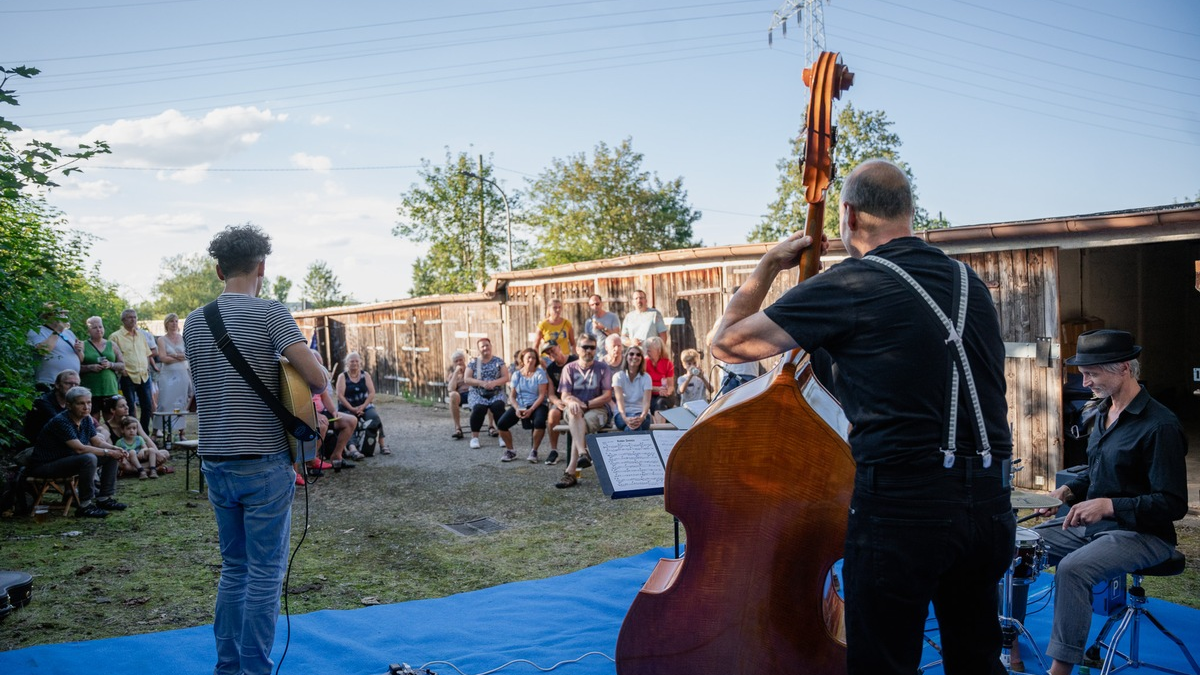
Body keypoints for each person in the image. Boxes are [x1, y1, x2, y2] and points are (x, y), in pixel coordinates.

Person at [710, 159, 1014, 675]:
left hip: (904, 511)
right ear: (910, 213)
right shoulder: (970, 284)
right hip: (989, 505)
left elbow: (727, 344)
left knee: (884, 665)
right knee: (977, 661)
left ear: (847, 215)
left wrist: (766, 266)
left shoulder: (852, 284)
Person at [184, 224, 327, 675]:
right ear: (262, 266)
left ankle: (227, 667)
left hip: (215, 458)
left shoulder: (194, 320)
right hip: (263, 460)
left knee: (234, 569)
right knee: (265, 575)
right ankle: (254, 671)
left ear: (218, 269)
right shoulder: (272, 314)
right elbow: (319, 379)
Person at [1023, 329, 1188, 675]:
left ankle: (1060, 670)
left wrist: (1109, 505)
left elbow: (1173, 503)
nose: (1084, 383)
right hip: (1094, 527)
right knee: (1012, 544)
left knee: (1073, 569)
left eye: (1092, 373)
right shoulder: (1100, 413)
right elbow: (1098, 474)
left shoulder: (1161, 426)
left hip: (1143, 535)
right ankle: (1008, 641)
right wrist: (1066, 493)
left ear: (1124, 368)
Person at [28, 386, 128, 518]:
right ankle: (85, 505)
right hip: (45, 465)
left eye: (89, 402)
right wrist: (108, 452)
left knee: (110, 456)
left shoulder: (86, 419)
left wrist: (114, 449)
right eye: (81, 403)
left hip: (67, 460)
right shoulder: (61, 421)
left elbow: (96, 442)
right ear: (69, 405)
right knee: (88, 458)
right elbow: (79, 448)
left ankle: (105, 498)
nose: (86, 407)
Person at [554, 334, 612, 489]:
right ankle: (582, 453)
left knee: (581, 425)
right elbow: (564, 396)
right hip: (574, 410)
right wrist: (572, 402)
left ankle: (571, 471)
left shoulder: (602, 368)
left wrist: (586, 404)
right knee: (575, 413)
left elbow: (607, 395)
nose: (589, 351)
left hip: (597, 409)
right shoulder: (569, 368)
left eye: (592, 347)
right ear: (577, 349)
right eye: (585, 347)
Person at [497, 347, 550, 463]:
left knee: (539, 422)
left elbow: (542, 395)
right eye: (528, 358)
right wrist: (516, 408)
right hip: (520, 405)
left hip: (537, 404)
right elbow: (512, 396)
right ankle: (510, 450)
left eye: (534, 358)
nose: (531, 360)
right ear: (522, 359)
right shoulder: (517, 374)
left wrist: (531, 409)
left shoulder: (540, 374)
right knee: (501, 424)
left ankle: (534, 450)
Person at [110, 308, 155, 434]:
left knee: (147, 406)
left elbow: (147, 353)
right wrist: (122, 371)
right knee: (129, 407)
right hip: (128, 375)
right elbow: (113, 357)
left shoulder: (141, 335)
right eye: (130, 317)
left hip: (143, 376)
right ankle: (130, 433)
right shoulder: (115, 337)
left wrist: (147, 367)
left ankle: (144, 433)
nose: (133, 319)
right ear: (123, 320)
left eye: (135, 317)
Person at [336, 351, 391, 455]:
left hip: (364, 406)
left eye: (357, 361)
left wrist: (362, 407)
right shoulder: (342, 377)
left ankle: (382, 444)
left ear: (360, 362)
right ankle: (352, 449)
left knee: (375, 417)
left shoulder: (365, 375)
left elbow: (371, 393)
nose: (354, 363)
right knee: (350, 422)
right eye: (352, 361)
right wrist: (352, 409)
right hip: (347, 407)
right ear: (347, 363)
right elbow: (340, 396)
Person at [463, 337, 511, 451]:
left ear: (491, 346)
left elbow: (506, 377)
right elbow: (466, 379)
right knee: (479, 408)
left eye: (487, 345)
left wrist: (494, 382)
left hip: (496, 392)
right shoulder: (474, 363)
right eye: (482, 346)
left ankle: (502, 435)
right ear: (479, 349)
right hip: (478, 392)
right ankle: (474, 437)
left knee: (498, 406)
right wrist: (481, 383)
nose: (485, 348)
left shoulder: (498, 361)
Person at [27, 302, 84, 392]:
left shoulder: (69, 333)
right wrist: (57, 330)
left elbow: (81, 359)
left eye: (64, 314)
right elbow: (43, 351)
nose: (63, 316)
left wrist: (79, 350)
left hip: (72, 384)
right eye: (60, 314)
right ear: (49, 316)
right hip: (49, 383)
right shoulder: (37, 330)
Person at [155, 313, 192, 440]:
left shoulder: (183, 338)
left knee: (181, 403)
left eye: (176, 321)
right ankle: (158, 430)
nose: (174, 324)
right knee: (164, 402)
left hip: (182, 373)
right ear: (167, 323)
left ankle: (181, 432)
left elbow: (187, 355)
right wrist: (179, 356)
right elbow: (163, 358)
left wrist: (175, 356)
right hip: (168, 374)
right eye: (171, 321)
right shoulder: (161, 339)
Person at [540, 341, 577, 466]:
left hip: (577, 399)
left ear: (559, 347)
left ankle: (583, 450)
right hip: (561, 401)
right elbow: (550, 393)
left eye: (552, 349)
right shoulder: (550, 369)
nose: (551, 353)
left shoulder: (574, 360)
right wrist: (557, 401)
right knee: (552, 414)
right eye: (548, 352)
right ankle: (554, 450)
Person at [22, 369, 80, 446]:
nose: (73, 388)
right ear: (57, 385)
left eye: (76, 385)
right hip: (38, 448)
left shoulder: (70, 402)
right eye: (68, 383)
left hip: (59, 442)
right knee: (89, 455)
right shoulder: (43, 401)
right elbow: (62, 425)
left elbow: (89, 422)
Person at [79, 316, 124, 398]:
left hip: (110, 388)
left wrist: (110, 364)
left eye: (100, 327)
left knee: (110, 410)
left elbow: (122, 365)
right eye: (94, 328)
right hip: (90, 390)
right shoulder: (83, 345)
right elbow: (76, 367)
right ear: (88, 331)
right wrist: (90, 367)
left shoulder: (112, 345)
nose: (98, 330)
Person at [612, 345, 652, 431]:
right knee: (633, 428)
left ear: (641, 358)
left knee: (631, 428)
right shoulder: (618, 376)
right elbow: (620, 401)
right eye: (631, 354)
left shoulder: (646, 377)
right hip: (622, 414)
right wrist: (625, 418)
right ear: (626, 357)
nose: (635, 356)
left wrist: (642, 417)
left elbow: (646, 403)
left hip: (642, 414)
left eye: (638, 355)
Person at [642, 336, 675, 418]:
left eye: (649, 350)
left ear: (658, 351)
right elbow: (642, 385)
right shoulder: (644, 363)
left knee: (661, 402)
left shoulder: (667, 363)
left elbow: (671, 385)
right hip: (649, 394)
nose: (646, 352)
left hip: (664, 395)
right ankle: (660, 428)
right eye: (646, 350)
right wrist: (657, 389)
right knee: (654, 403)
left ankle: (660, 429)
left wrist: (667, 392)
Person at [113, 415, 154, 479]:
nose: (131, 430)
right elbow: (118, 453)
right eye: (128, 428)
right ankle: (141, 471)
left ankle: (153, 470)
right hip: (129, 461)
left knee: (151, 450)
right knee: (132, 452)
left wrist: (142, 450)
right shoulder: (120, 442)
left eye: (134, 428)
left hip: (141, 458)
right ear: (122, 430)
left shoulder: (139, 438)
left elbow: (145, 448)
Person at [584, 294, 621, 359]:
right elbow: (587, 341)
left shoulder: (612, 317)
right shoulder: (589, 322)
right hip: (596, 357)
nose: (595, 306)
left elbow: (616, 336)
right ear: (589, 306)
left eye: (597, 304)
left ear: (601, 304)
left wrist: (603, 328)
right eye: (592, 305)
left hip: (611, 356)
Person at [446, 349, 472, 439]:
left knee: (487, 394)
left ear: (464, 360)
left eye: (460, 360)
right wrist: (456, 373)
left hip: (473, 394)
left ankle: (491, 427)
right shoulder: (452, 375)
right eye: (456, 361)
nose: (459, 362)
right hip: (461, 396)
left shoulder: (471, 370)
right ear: (453, 363)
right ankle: (458, 428)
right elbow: (450, 389)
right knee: (452, 395)